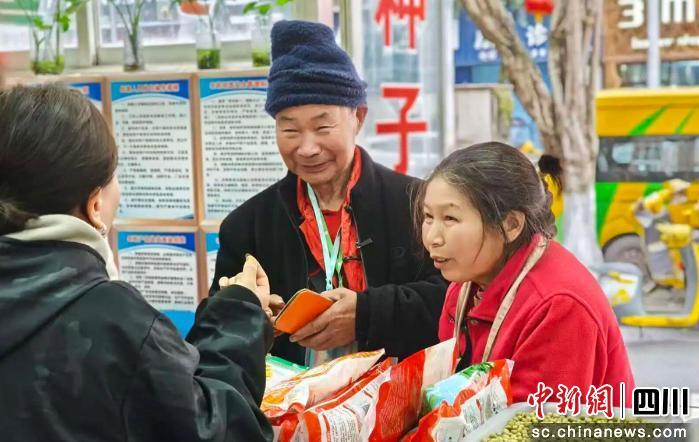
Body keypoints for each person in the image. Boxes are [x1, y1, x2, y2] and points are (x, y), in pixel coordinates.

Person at [0, 84, 274, 441]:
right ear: (94, 205)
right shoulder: (110, 319)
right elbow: (216, 429)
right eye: (114, 176)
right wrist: (238, 316)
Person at [210, 20, 447, 366]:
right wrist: (252, 316)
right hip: (291, 398)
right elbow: (215, 329)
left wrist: (367, 313)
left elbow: (456, 297)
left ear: (358, 117)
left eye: (323, 127)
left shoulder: (416, 203)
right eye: (290, 130)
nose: (307, 148)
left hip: (399, 394)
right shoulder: (246, 226)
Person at [417, 142, 634, 404]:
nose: (432, 237)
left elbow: (534, 420)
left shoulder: (558, 304)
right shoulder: (465, 284)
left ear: (511, 225)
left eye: (450, 218)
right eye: (428, 216)